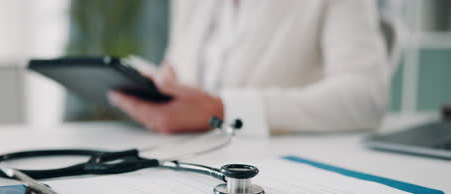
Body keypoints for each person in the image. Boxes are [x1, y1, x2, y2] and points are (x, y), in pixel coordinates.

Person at [108, 0, 388, 135]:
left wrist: (223, 110)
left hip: (280, 168)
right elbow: (179, 71)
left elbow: (365, 99)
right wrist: (159, 86)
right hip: (184, 156)